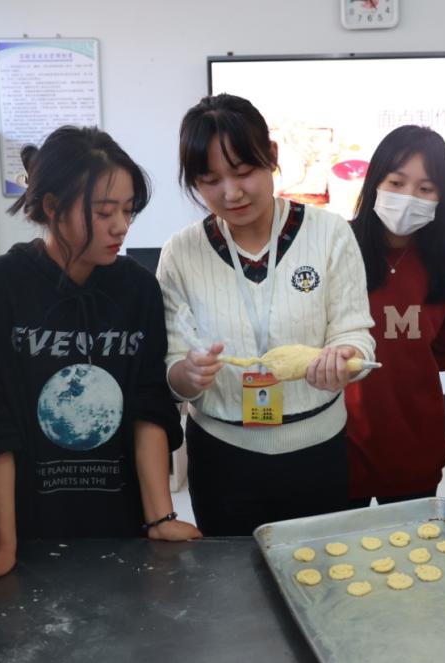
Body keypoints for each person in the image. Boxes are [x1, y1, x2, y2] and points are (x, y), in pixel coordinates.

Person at [0, 126, 200, 599]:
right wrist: (4, 543)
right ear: (52, 207)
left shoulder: (137, 289)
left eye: (127, 210)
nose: (121, 226)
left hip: (123, 521)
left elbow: (149, 406)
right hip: (33, 524)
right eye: (104, 212)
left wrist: (160, 517)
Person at [158, 94, 375, 536]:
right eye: (210, 180)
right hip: (222, 456)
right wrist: (187, 375)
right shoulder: (181, 253)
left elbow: (354, 332)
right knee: (230, 573)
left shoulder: (329, 234)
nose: (231, 193)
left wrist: (345, 357)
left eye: (243, 172)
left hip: (316, 450)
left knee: (319, 567)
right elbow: (172, 364)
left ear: (271, 156)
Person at [345, 125, 445, 506]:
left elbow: (443, 349)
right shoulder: (338, 248)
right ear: (375, 183)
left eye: (425, 188)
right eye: (396, 183)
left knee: (411, 542)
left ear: (442, 196)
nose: (408, 198)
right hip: (342, 444)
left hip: (414, 445)